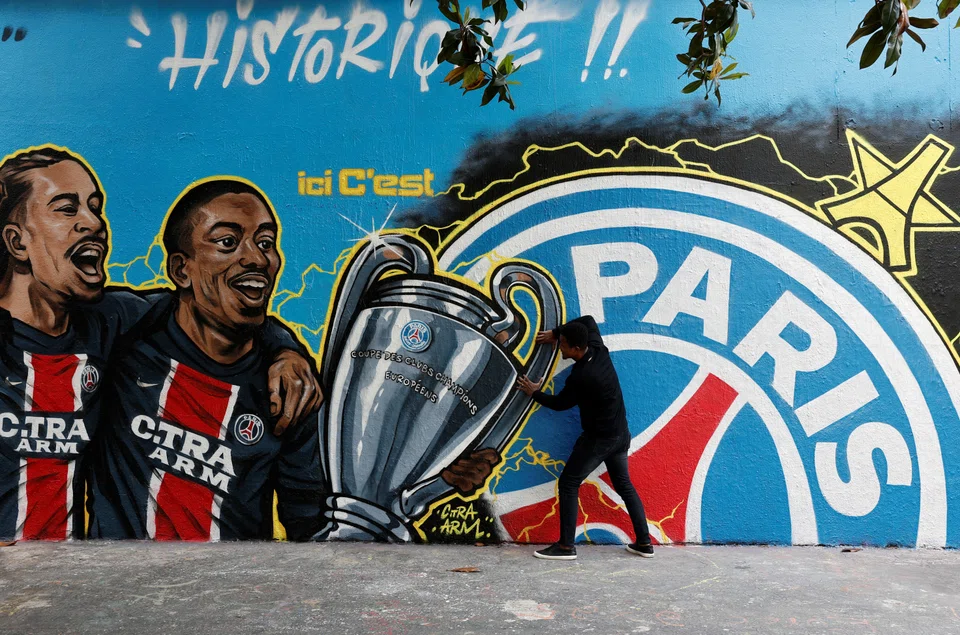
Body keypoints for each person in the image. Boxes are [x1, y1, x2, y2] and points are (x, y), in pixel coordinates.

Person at [0, 148, 318, 541]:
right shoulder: (118, 332)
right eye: (67, 209)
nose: (94, 223)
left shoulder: (113, 325)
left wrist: (286, 351)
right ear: (17, 242)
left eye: (95, 208)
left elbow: (215, 312)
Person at [89, 178, 323, 541]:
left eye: (265, 243)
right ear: (182, 270)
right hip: (121, 588)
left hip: (231, 591)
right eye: (228, 243)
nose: (256, 258)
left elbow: (308, 524)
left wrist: (284, 349)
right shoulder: (125, 330)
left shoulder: (289, 387)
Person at [515, 315, 654, 560]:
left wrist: (534, 393)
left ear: (577, 349)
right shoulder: (598, 349)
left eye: (564, 344)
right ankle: (644, 543)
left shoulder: (583, 376)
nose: (560, 347)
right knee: (624, 486)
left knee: (568, 483)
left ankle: (566, 547)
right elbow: (589, 320)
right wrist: (557, 332)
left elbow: (560, 404)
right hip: (620, 434)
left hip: (600, 440)